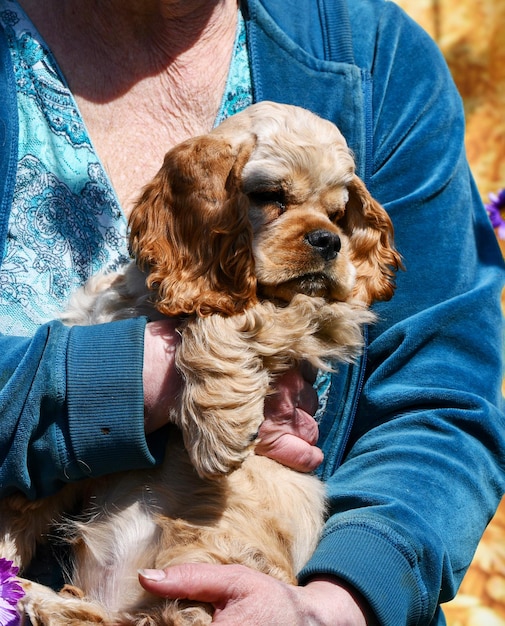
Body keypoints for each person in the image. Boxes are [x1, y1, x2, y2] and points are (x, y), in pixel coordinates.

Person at [0, 0, 503, 624]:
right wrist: (151, 375)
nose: (323, 235)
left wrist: (334, 602)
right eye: (270, 197)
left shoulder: (376, 56)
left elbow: (442, 399)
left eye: (335, 214)